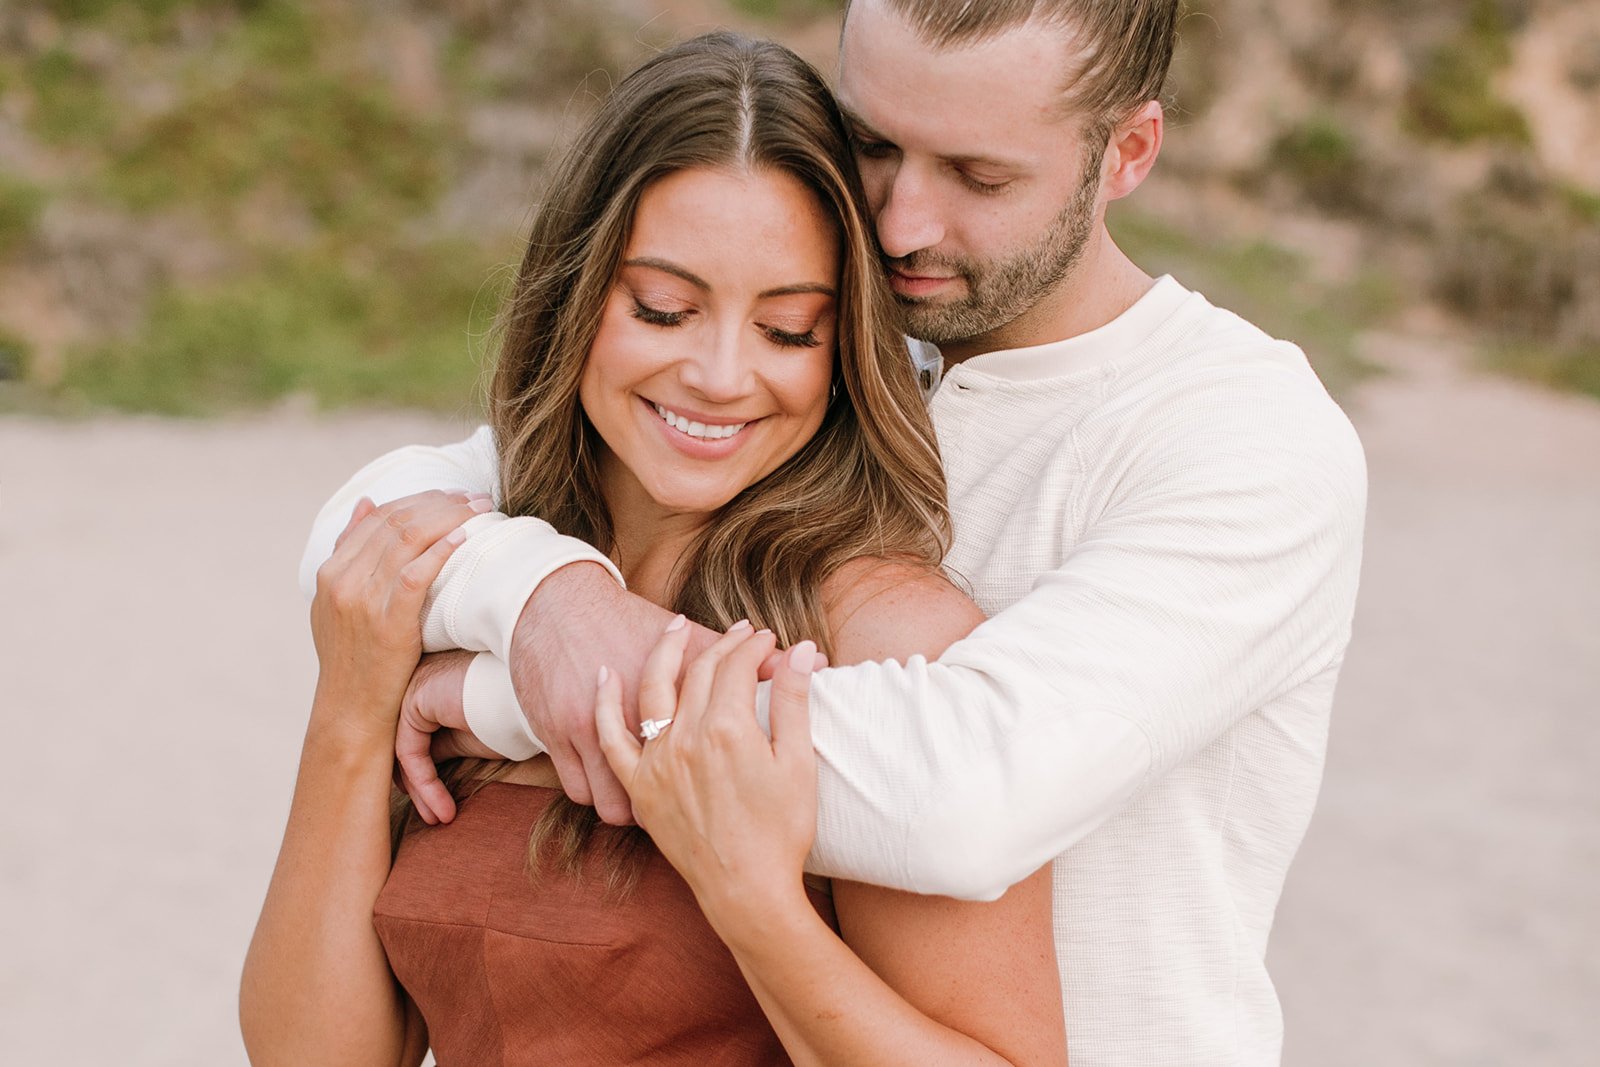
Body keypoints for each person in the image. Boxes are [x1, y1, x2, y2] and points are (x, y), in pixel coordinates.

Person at [301, 1, 1368, 1063]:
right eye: (871, 144)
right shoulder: (834, 369)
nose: (900, 223)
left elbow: (963, 795)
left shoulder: (1240, 440)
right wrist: (544, 599)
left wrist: (514, 694)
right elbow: (371, 524)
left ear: (1127, 151)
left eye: (977, 177)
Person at [242, 32, 1067, 1067]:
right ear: (575, 295)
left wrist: (749, 901)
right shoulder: (478, 587)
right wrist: (353, 713)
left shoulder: (887, 641)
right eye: (664, 309)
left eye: (787, 331)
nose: (721, 374)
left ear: (845, 348)